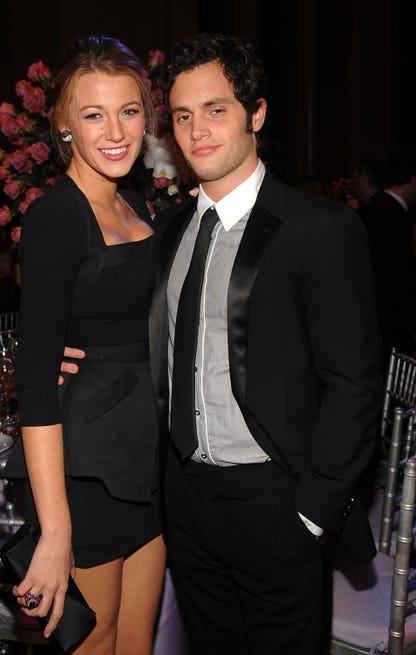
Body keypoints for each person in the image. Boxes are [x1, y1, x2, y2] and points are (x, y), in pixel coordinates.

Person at [149, 32, 381, 655]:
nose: (197, 129)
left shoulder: (320, 230)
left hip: (277, 499)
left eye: (216, 109)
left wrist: (312, 511)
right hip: (187, 502)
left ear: (256, 113)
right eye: (182, 115)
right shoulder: (170, 230)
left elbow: (355, 384)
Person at [3, 35, 166, 655]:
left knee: (136, 644)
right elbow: (37, 378)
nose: (115, 131)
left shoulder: (140, 203)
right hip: (82, 467)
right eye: (93, 114)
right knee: (93, 646)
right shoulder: (56, 217)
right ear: (64, 127)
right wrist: (55, 530)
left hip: (145, 457)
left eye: (128, 111)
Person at [361, 149, 416, 365]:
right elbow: (395, 279)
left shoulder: (376, 209)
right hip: (390, 327)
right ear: (412, 179)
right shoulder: (389, 218)